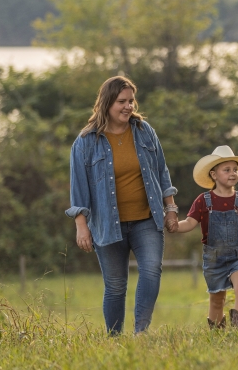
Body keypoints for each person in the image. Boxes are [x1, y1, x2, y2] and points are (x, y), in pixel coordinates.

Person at [67, 76, 180, 335]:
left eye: (131, 101)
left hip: (146, 220)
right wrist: (81, 226)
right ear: (107, 103)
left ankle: (141, 332)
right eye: (122, 101)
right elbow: (78, 188)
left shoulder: (144, 131)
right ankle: (114, 339)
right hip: (107, 224)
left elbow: (162, 170)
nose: (128, 106)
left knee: (151, 271)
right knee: (116, 286)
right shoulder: (85, 142)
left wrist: (171, 208)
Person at [173, 146, 238, 329]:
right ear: (214, 174)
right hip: (214, 259)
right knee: (217, 300)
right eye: (227, 170)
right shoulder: (203, 200)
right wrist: (173, 226)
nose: (232, 173)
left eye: (235, 169)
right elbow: (189, 223)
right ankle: (217, 336)